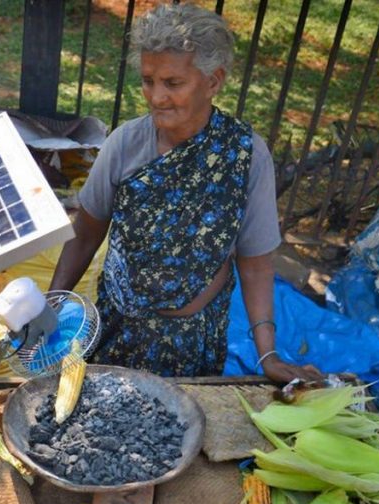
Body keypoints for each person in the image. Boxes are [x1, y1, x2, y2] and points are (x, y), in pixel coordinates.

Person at [50, 3, 321, 384]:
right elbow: (84, 236)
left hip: (193, 347)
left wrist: (268, 354)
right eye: (148, 80)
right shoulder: (126, 143)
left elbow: (256, 264)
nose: (156, 97)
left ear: (213, 81)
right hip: (116, 333)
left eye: (172, 83)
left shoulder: (244, 155)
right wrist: (51, 306)